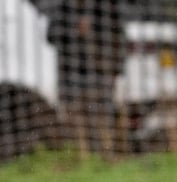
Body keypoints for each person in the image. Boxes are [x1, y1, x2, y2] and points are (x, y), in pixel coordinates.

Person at [46, 0, 125, 154]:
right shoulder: (64, 6)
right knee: (76, 116)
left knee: (103, 115)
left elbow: (119, 37)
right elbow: (51, 35)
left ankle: (106, 154)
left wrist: (117, 70)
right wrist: (75, 31)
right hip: (72, 73)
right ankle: (82, 156)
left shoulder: (106, 6)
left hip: (100, 72)